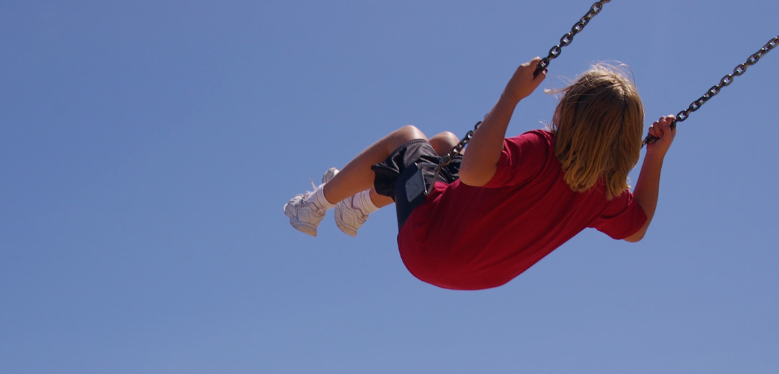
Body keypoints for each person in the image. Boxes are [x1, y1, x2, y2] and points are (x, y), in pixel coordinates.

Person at [283, 57, 677, 290]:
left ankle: (312, 206)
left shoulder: (542, 150)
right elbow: (638, 227)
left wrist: (510, 96)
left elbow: (473, 173)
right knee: (443, 144)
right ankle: (358, 208)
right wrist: (655, 158)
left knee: (406, 138)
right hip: (480, 273)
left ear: (569, 111)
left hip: (432, 245)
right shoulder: (602, 194)